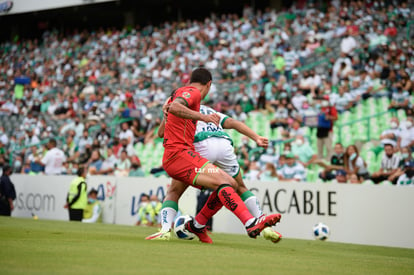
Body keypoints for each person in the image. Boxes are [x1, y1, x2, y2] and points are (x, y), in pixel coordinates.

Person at [150, 68, 281, 243]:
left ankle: (183, 227)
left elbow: (162, 131)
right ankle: (251, 222)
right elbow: (178, 107)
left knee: (225, 184)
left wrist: (166, 114)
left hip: (186, 156)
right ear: (209, 84)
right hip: (186, 155)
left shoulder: (185, 102)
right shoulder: (194, 96)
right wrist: (255, 137)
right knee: (234, 185)